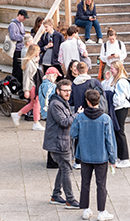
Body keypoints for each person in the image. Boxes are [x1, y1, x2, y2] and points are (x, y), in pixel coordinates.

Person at [70, 89, 116, 221]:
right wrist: (112, 158)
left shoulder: (80, 117)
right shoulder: (106, 118)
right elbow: (110, 141)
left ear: (87, 101)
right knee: (101, 184)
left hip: (84, 155)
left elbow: (73, 134)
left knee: (85, 183)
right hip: (101, 156)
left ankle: (85, 210)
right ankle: (101, 211)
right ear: (98, 101)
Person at [44, 79, 79, 208]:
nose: (68, 93)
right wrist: (77, 115)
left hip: (63, 141)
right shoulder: (55, 104)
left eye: (69, 90)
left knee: (63, 168)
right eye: (65, 90)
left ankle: (56, 195)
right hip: (59, 143)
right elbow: (64, 122)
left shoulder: (62, 102)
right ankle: (70, 199)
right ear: (58, 91)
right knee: (66, 169)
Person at [102, 60, 130, 169]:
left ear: (117, 69)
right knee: (117, 131)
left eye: (112, 69)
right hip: (117, 108)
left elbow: (119, 99)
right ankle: (120, 156)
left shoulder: (121, 82)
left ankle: (125, 158)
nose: (110, 70)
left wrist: (112, 100)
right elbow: (105, 86)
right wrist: (107, 78)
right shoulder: (115, 80)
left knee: (120, 132)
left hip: (120, 108)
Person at [11, 44, 45, 131]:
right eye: (38, 50)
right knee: (36, 103)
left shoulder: (32, 61)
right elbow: (27, 77)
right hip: (32, 85)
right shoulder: (30, 63)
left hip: (33, 85)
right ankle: (36, 122)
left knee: (33, 103)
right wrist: (26, 90)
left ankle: (18, 114)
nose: (39, 52)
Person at [8, 9, 29, 84]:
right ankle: (15, 85)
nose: (24, 19)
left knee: (20, 69)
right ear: (19, 15)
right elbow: (13, 37)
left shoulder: (21, 24)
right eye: (24, 17)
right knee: (17, 70)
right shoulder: (13, 25)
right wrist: (24, 37)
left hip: (21, 48)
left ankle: (18, 85)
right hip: (16, 50)